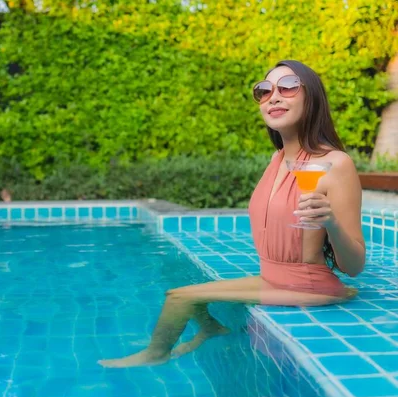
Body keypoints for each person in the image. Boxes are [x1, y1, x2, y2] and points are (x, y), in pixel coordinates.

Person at [98, 60, 366, 368]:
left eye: (288, 87)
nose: (274, 97)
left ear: (312, 96)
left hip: (309, 285)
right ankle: (212, 328)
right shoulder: (276, 158)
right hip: (272, 277)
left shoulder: (336, 163)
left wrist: (330, 221)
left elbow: (355, 264)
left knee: (180, 299)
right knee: (181, 292)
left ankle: (155, 356)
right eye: (264, 91)